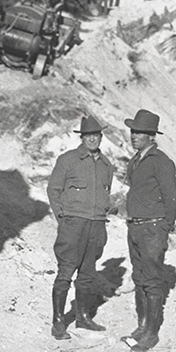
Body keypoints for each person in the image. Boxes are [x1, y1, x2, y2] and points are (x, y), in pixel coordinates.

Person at [46, 116, 116, 340]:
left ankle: (83, 316)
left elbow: (106, 193)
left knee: (88, 273)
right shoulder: (68, 160)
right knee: (66, 272)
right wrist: (63, 219)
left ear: (101, 138)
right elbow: (53, 190)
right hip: (73, 224)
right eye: (88, 135)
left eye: (96, 135)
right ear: (82, 138)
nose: (92, 139)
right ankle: (58, 322)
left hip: (96, 225)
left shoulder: (107, 166)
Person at [120, 109, 176, 352]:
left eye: (140, 132)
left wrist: (165, 225)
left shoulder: (161, 161)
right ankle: (142, 326)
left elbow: (172, 196)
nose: (134, 136)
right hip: (135, 226)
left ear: (151, 136)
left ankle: (151, 334)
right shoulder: (136, 159)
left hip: (153, 228)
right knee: (140, 276)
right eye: (133, 131)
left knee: (153, 280)